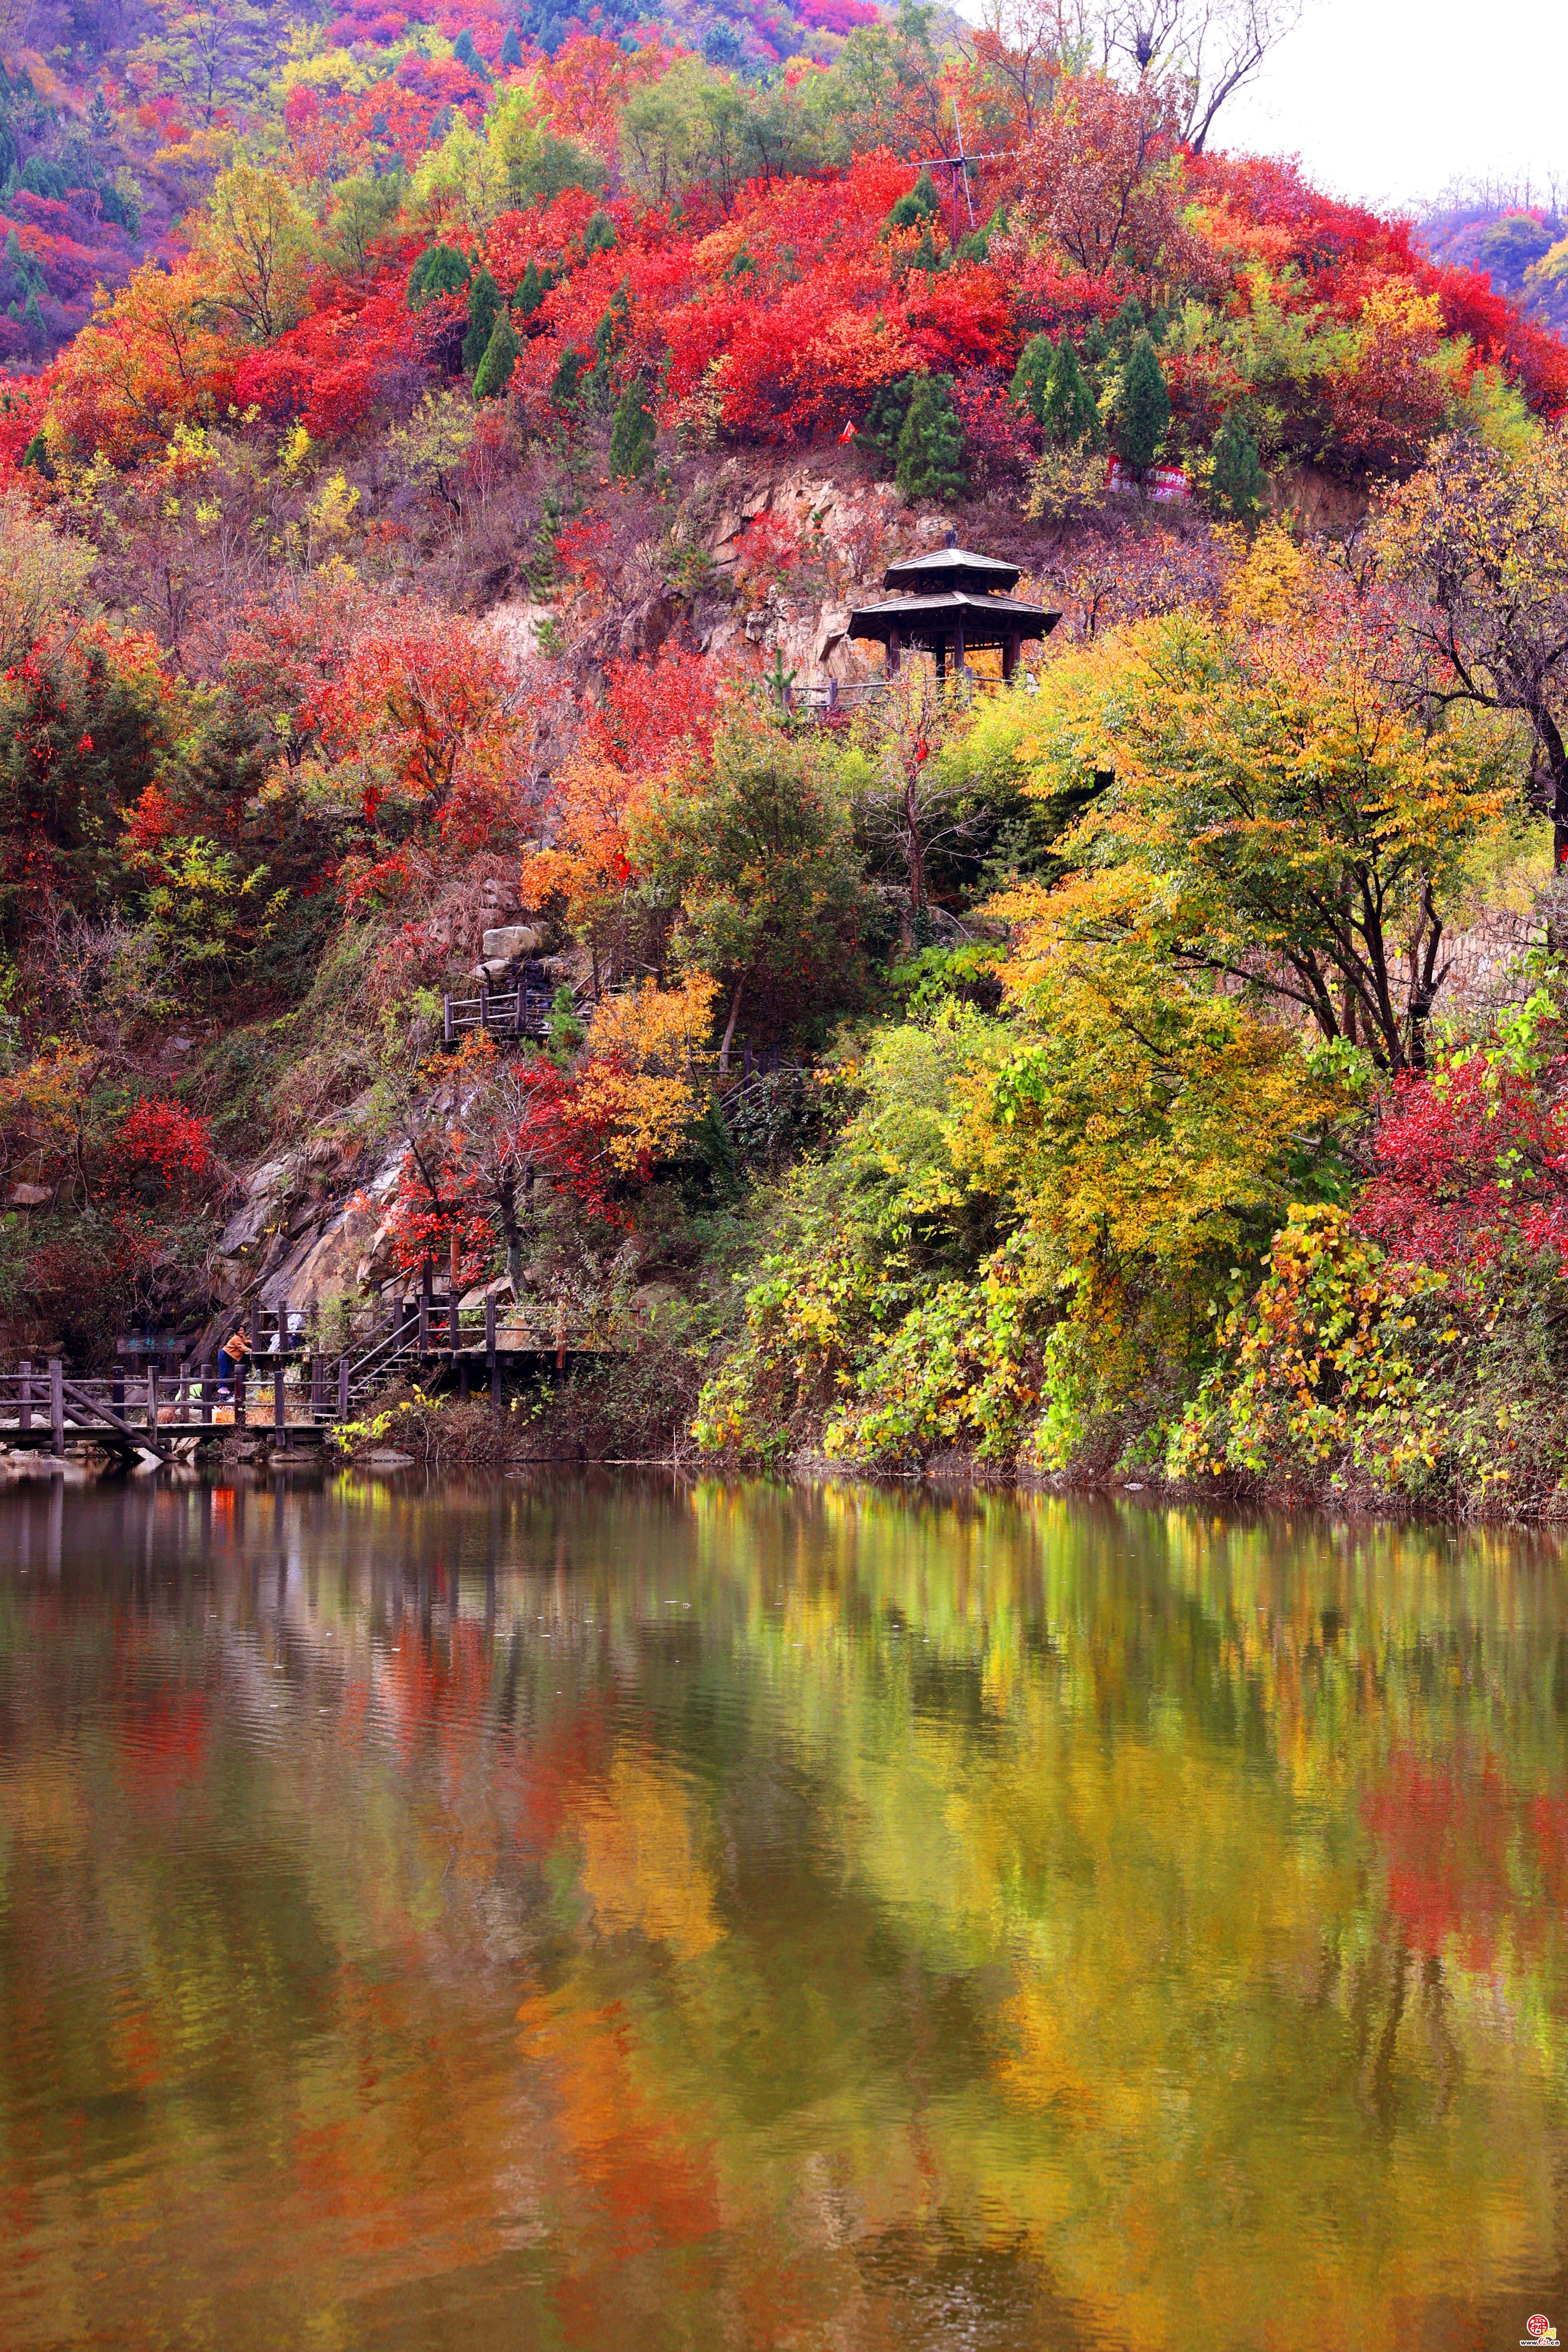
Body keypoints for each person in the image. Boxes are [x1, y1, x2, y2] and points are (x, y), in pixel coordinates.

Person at [217, 1323, 251, 1401]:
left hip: (229, 1356)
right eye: (239, 1331)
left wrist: (249, 1342)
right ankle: (221, 1387)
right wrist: (252, 1351)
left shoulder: (241, 1337)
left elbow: (244, 1342)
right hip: (224, 1355)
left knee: (227, 1372)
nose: (241, 1332)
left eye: (243, 1331)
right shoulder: (236, 1338)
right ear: (237, 1332)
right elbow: (242, 1347)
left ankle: (224, 1387)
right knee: (223, 1372)